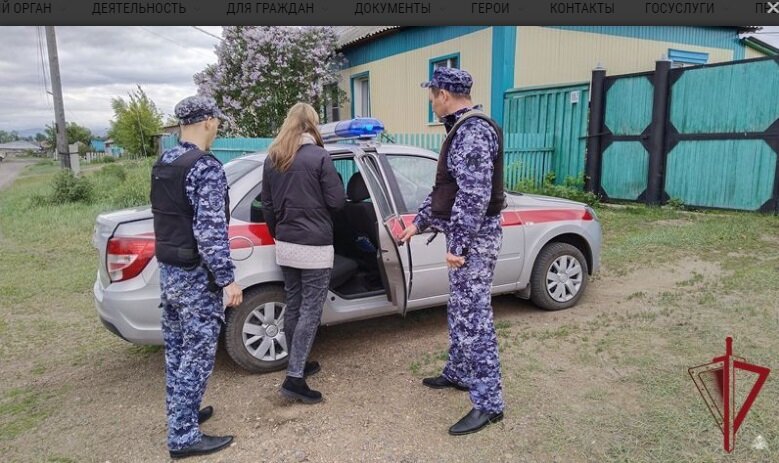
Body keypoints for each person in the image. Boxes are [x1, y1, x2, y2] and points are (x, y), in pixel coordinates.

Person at [399, 67, 507, 435]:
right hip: (467, 240)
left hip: (475, 241)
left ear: (444, 94)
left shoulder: (474, 132)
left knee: (475, 320)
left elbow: (473, 197)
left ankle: (489, 404)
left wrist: (458, 244)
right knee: (460, 309)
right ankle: (459, 372)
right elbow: (446, 189)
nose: (431, 102)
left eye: (432, 95)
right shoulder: (460, 130)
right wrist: (418, 223)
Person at [150, 95, 243, 459]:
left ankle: (181, 415)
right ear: (206, 121)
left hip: (170, 271)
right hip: (195, 278)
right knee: (198, 355)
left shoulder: (166, 161)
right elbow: (209, 232)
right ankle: (184, 437)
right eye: (216, 120)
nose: (217, 126)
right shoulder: (205, 168)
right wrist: (227, 279)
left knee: (177, 351)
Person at [261, 103, 345, 404]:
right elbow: (337, 202)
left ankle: (297, 361)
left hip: (286, 243)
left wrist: (279, 232)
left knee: (294, 303)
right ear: (312, 126)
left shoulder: (273, 159)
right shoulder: (319, 157)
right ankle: (295, 378)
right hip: (315, 245)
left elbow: (267, 206)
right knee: (311, 309)